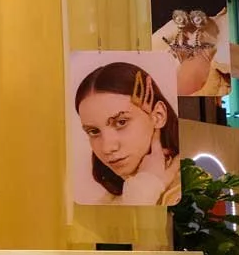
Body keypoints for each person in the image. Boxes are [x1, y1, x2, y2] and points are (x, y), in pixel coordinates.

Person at [74, 62, 182, 206]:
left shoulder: (194, 188)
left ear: (158, 116)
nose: (107, 148)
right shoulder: (108, 204)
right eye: (93, 131)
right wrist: (146, 186)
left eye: (121, 122)